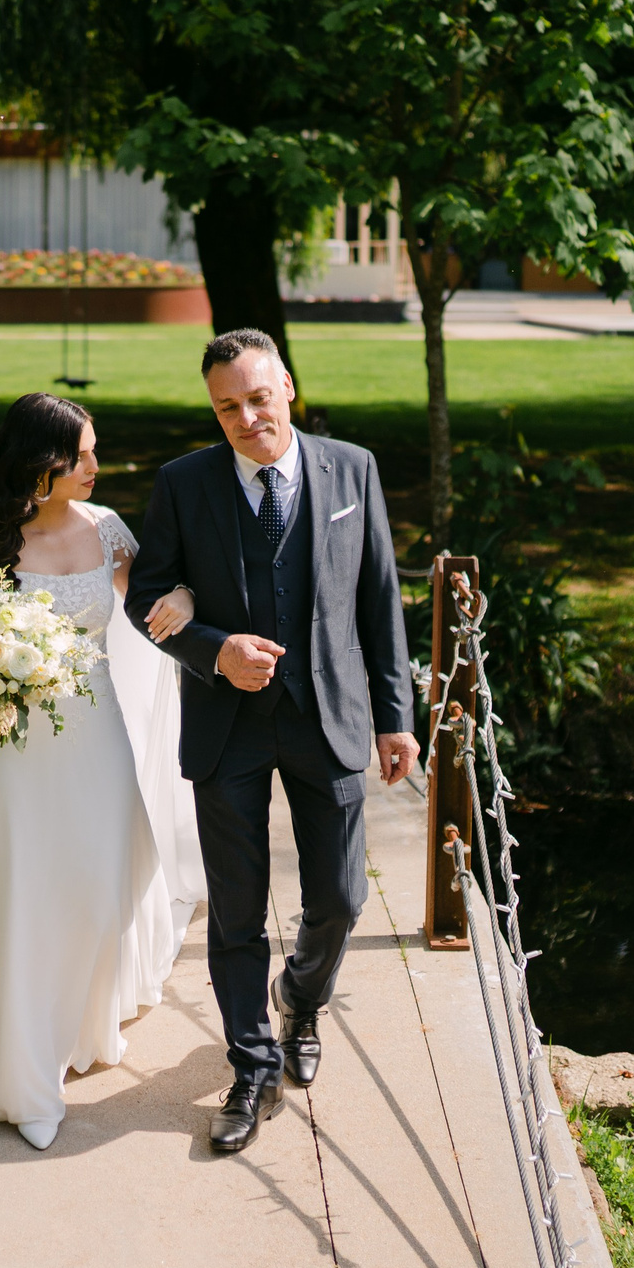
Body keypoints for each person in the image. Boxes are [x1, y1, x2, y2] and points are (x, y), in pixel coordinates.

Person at [123, 329, 420, 1154]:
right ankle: (252, 1064)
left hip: (330, 716)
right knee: (237, 911)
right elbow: (145, 595)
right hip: (229, 724)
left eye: (258, 396)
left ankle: (302, 997)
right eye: (228, 406)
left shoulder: (351, 468)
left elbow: (379, 599)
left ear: (285, 384)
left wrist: (395, 717)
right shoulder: (184, 484)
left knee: (341, 897)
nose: (247, 417)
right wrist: (214, 648)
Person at [0, 394, 206, 1150]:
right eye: (84, 454)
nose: (97, 465)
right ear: (44, 463)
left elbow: (156, 597)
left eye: (95, 450)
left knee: (101, 886)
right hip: (7, 746)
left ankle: (80, 1015)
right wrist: (3, 675)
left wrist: (185, 597)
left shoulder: (109, 532)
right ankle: (21, 1065)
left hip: (94, 738)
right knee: (22, 891)